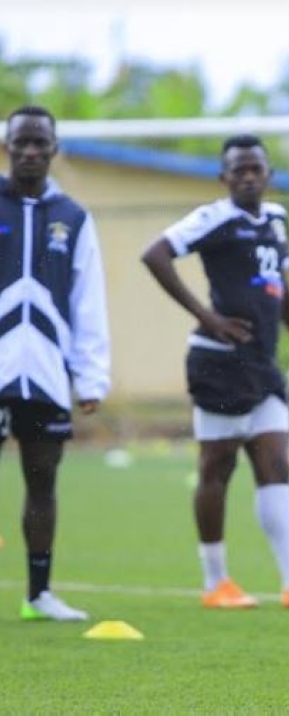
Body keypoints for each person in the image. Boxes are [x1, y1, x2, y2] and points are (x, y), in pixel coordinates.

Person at [141, 134, 289, 609]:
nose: (249, 176)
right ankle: (216, 582)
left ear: (268, 174)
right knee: (217, 467)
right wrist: (207, 317)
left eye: (256, 168)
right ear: (224, 177)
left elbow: (282, 286)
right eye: (239, 170)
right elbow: (154, 254)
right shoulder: (214, 218)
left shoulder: (277, 218)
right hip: (217, 363)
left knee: (274, 463)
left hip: (262, 363)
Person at [1, 105, 111, 621]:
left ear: (53, 149)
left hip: (46, 373)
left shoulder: (74, 217)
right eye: (20, 142)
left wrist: (91, 375)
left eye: (38, 143)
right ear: (7, 146)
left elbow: (89, 301)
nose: (29, 151)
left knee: (42, 481)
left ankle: (39, 595)